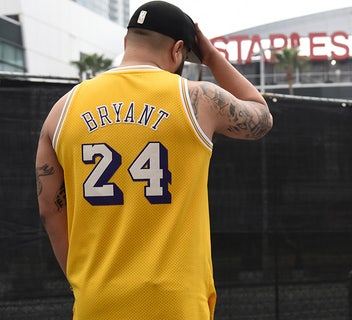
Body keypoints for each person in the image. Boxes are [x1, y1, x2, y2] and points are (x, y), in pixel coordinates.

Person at [34, 1, 272, 319]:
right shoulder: (196, 100)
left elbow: (50, 210)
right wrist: (212, 57)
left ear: (125, 43)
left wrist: (85, 283)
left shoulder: (62, 111)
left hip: (97, 302)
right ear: (177, 52)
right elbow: (261, 115)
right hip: (175, 304)